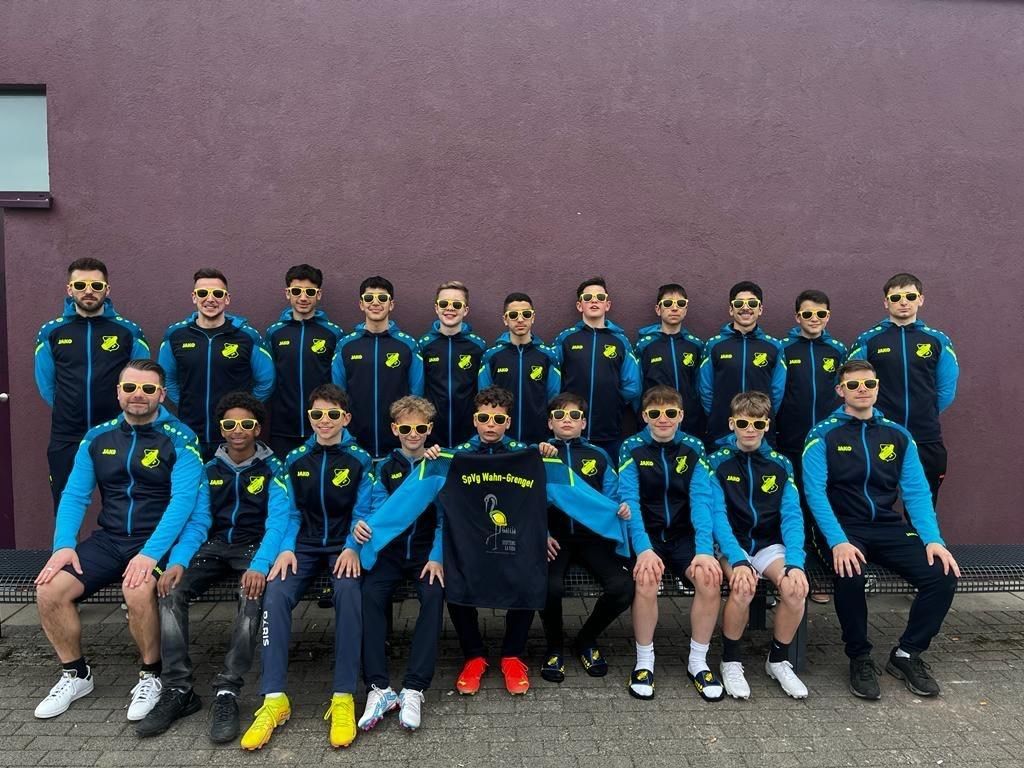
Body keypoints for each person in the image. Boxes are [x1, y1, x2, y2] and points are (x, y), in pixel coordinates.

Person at [357, 386, 629, 699]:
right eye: (484, 418)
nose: (490, 424)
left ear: (508, 422)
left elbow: (571, 490)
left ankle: (512, 656)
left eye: (498, 419)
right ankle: (474, 655)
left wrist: (611, 514)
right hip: (469, 543)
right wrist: (373, 532)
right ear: (475, 420)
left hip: (513, 540)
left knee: (529, 574)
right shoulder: (452, 458)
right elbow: (409, 497)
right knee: (455, 574)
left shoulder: (529, 456)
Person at [32, 360, 202, 721]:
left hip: (158, 540)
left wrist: (150, 554)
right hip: (109, 539)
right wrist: (63, 545)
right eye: (130, 388)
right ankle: (76, 675)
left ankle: (151, 674)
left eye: (148, 389)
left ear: (162, 394)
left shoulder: (181, 437)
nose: (138, 395)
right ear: (118, 392)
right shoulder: (97, 437)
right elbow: (75, 494)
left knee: (137, 589)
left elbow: (183, 501)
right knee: (49, 589)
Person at [135, 392, 292, 741]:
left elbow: (278, 523)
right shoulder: (209, 469)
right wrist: (177, 561)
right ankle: (178, 689)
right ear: (221, 428)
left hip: (253, 549)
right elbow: (198, 522)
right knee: (170, 589)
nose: (238, 430)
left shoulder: (275, 469)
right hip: (214, 547)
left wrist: (260, 564)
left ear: (258, 429)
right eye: (229, 424)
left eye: (246, 423)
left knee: (252, 594)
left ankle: (228, 689)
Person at [803, 360, 960, 700]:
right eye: (853, 384)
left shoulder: (898, 435)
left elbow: (916, 493)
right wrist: (838, 541)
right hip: (841, 527)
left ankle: (907, 654)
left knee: (942, 574)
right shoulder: (822, 435)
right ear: (840, 390)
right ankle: (859, 657)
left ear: (877, 388)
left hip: (887, 526)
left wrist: (933, 540)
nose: (862, 390)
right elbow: (815, 493)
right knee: (851, 573)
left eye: (869, 384)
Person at [240, 384, 383, 750]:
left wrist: (352, 547)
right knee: (275, 594)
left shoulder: (360, 459)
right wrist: (286, 549)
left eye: (332, 414)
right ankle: (274, 699)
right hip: (303, 544)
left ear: (345, 418)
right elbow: (288, 513)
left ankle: (343, 696)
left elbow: (363, 512)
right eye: (317, 414)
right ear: (309, 417)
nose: (324, 421)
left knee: (348, 592)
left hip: (343, 545)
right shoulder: (295, 459)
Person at [619, 385, 739, 702]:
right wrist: (643, 549)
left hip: (684, 535)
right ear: (644, 416)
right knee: (646, 578)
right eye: (655, 413)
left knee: (710, 578)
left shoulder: (693, 447)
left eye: (670, 413)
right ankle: (644, 661)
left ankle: (698, 661)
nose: (663, 419)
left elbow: (701, 501)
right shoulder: (631, 447)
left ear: (681, 415)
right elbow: (630, 500)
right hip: (648, 535)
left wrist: (704, 551)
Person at [707, 391, 809, 700]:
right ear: (732, 424)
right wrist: (737, 560)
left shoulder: (781, 464)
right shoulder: (716, 462)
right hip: (731, 544)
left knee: (795, 588)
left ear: (767, 425)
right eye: (743, 423)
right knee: (743, 586)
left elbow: (792, 516)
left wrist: (795, 562)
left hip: (767, 543)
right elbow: (717, 516)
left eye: (757, 423)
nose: (750, 429)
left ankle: (777, 660)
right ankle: (730, 661)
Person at [353, 396, 444, 732]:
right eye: (406, 429)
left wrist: (436, 557)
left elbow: (445, 521)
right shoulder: (382, 468)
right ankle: (378, 688)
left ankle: (414, 688)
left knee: (434, 595)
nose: (413, 434)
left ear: (429, 429)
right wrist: (358, 529)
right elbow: (370, 512)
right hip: (388, 554)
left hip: (423, 554)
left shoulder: (438, 465)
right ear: (395, 429)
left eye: (420, 428)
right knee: (369, 595)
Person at [35, 257, 149, 511]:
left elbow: (141, 384)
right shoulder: (51, 332)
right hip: (67, 434)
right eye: (81, 285)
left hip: (116, 431)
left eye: (96, 286)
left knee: (121, 506)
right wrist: (69, 408)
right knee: (66, 505)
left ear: (107, 290)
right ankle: (65, 540)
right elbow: (47, 386)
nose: (88, 291)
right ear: (69, 289)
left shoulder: (128, 332)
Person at [539, 393, 634, 683]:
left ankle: (586, 639)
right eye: (559, 415)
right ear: (550, 423)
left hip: (593, 538)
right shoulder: (538, 454)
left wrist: (621, 507)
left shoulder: (599, 455)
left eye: (574, 416)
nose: (566, 420)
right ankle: (554, 646)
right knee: (548, 587)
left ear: (584, 423)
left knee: (623, 588)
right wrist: (542, 534)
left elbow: (612, 495)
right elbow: (525, 501)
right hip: (555, 539)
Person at [848, 273, 959, 504]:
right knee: (875, 503)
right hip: (879, 433)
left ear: (921, 299)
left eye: (910, 296)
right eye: (896, 297)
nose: (903, 302)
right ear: (886, 302)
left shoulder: (938, 341)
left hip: (925, 435)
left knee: (923, 503)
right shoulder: (869, 340)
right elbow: (851, 384)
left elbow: (946, 390)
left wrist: (925, 411)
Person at [775, 289, 848, 603]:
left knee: (823, 505)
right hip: (791, 441)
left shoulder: (838, 351)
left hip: (828, 445)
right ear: (797, 317)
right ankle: (786, 576)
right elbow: (776, 393)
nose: (814, 319)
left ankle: (822, 573)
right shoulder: (783, 349)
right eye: (807, 314)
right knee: (793, 508)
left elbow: (846, 395)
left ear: (828, 316)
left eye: (820, 314)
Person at [158, 268, 274, 460]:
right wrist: (187, 404)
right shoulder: (176, 335)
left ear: (227, 299)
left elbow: (266, 381)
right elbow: (166, 379)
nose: (210, 299)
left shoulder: (247, 336)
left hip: (234, 437)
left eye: (217, 294)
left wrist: (242, 411)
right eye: (203, 293)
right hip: (190, 432)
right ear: (194, 297)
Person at [331, 276, 424, 458]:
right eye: (369, 298)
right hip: (354, 443)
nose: (375, 303)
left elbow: (416, 396)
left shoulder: (408, 345)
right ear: (361, 304)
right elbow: (337, 396)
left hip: (397, 444)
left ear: (391, 304)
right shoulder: (346, 346)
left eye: (382, 298)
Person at [553, 277, 642, 458]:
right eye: (588, 298)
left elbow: (632, 386)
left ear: (607, 305)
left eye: (600, 298)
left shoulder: (620, 341)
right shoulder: (566, 339)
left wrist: (613, 401)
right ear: (580, 306)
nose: (594, 301)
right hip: (570, 431)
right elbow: (553, 383)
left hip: (609, 431)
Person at [264, 264, 345, 457]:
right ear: (287, 293)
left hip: (323, 426)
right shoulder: (275, 333)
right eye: (296, 291)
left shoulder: (333, 333)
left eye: (310, 292)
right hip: (283, 427)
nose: (303, 297)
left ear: (318, 294)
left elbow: (338, 380)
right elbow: (268, 377)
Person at [698, 281, 786, 446]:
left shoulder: (774, 346)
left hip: (759, 429)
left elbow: (777, 391)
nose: (746, 307)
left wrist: (764, 415)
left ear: (760, 309)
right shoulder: (714, 345)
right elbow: (705, 388)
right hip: (722, 428)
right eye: (739, 303)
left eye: (752, 303)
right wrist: (718, 414)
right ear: (731, 309)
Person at [478, 292, 561, 445]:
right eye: (513, 315)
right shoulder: (492, 356)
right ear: (505, 319)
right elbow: (484, 400)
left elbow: (554, 399)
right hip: (501, 440)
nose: (520, 319)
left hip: (538, 438)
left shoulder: (547, 355)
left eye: (526, 314)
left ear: (533, 317)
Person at [418, 281, 487, 448]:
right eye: (444, 304)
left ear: (466, 310)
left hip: (468, 434)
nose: (450, 308)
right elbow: (417, 390)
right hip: (432, 434)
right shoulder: (424, 345)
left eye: (457, 304)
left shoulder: (478, 346)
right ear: (436, 308)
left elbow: (483, 391)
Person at [635, 282, 705, 439]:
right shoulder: (644, 346)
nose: (674, 308)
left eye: (680, 303)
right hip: (656, 421)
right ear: (658, 309)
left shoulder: (695, 345)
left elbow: (701, 386)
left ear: (686, 309)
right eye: (667, 303)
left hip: (689, 421)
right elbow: (636, 387)